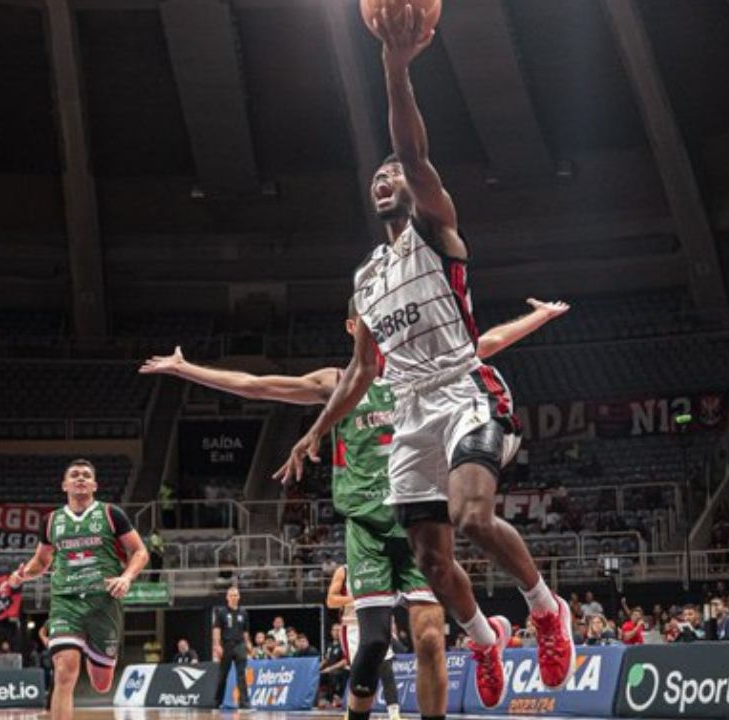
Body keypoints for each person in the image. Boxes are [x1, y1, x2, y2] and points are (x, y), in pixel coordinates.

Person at [271, 4, 576, 709]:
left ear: (414, 186)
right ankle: (485, 638)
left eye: (394, 174)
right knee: (435, 564)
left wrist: (395, 66)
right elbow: (361, 371)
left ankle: (544, 608)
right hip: (409, 412)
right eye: (376, 177)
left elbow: (410, 150)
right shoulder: (366, 278)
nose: (386, 179)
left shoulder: (436, 231)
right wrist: (316, 430)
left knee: (471, 517)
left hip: (465, 391)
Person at [143, 296, 567, 720]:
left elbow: (488, 342)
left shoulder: (420, 367)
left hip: (420, 511)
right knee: (373, 645)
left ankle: (483, 644)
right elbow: (257, 385)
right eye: (371, 320)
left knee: (431, 639)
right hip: (368, 527)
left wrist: (539, 317)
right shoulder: (338, 383)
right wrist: (186, 369)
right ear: (353, 327)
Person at [9, 459, 150, 720]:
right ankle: (75, 648)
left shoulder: (111, 514)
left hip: (103, 602)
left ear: (95, 484)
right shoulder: (51, 521)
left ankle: (94, 651)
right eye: (74, 475)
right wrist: (22, 575)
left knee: (101, 683)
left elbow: (140, 551)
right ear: (65, 485)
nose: (81, 478)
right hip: (66, 600)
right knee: (64, 671)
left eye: (86, 475)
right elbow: (42, 561)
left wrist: (127, 577)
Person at [328, 565, 401, 720]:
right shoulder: (344, 571)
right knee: (358, 671)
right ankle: (351, 711)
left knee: (386, 667)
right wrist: (357, 599)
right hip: (352, 625)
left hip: (376, 622)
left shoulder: (378, 566)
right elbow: (331, 600)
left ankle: (394, 715)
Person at [212, 586, 253, 712]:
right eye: (232, 595)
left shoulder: (244, 613)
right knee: (223, 675)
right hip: (226, 646)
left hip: (240, 645)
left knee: (242, 675)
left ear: (239, 597)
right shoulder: (222, 612)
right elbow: (216, 630)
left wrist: (248, 644)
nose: (234, 597)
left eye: (236, 595)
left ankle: (244, 703)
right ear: (227, 597)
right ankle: (217, 702)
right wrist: (217, 645)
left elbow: (245, 631)